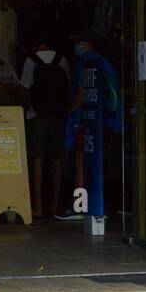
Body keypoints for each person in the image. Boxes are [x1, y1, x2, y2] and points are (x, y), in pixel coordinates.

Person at [61, 33, 120, 222]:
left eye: (80, 43)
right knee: (95, 161)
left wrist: (69, 113)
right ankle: (93, 204)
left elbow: (81, 93)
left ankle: (79, 205)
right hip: (106, 120)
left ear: (89, 44)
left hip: (87, 120)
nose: (78, 47)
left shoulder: (88, 62)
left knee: (81, 160)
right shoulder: (105, 63)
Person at [20, 37, 70, 218]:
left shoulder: (31, 60)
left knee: (37, 160)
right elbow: (68, 86)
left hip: (37, 115)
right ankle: (55, 205)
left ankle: (38, 207)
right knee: (57, 160)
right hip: (57, 116)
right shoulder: (62, 59)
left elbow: (25, 87)